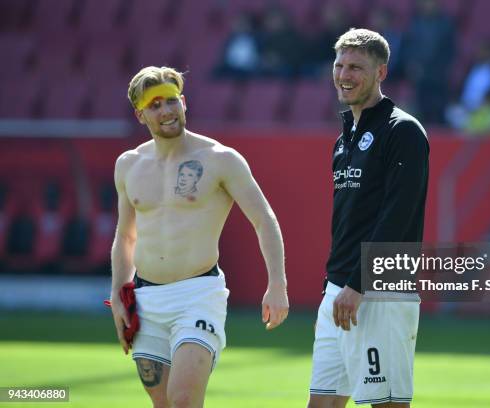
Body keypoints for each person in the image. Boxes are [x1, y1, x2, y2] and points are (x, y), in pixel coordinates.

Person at [110, 66, 289, 408]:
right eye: (155, 104)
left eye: (172, 101)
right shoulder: (128, 164)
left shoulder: (220, 159)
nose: (166, 111)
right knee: (162, 404)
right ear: (140, 114)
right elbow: (125, 235)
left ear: (184, 102)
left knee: (183, 402)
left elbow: (264, 219)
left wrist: (277, 284)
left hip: (198, 295)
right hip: (146, 300)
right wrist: (119, 294)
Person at [308, 29, 429, 408]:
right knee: (322, 403)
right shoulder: (344, 138)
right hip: (340, 290)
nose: (344, 74)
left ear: (381, 72)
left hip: (379, 291)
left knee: (386, 404)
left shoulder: (403, 130)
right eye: (340, 64)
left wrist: (359, 284)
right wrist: (335, 289)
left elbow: (398, 215)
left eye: (356, 66)